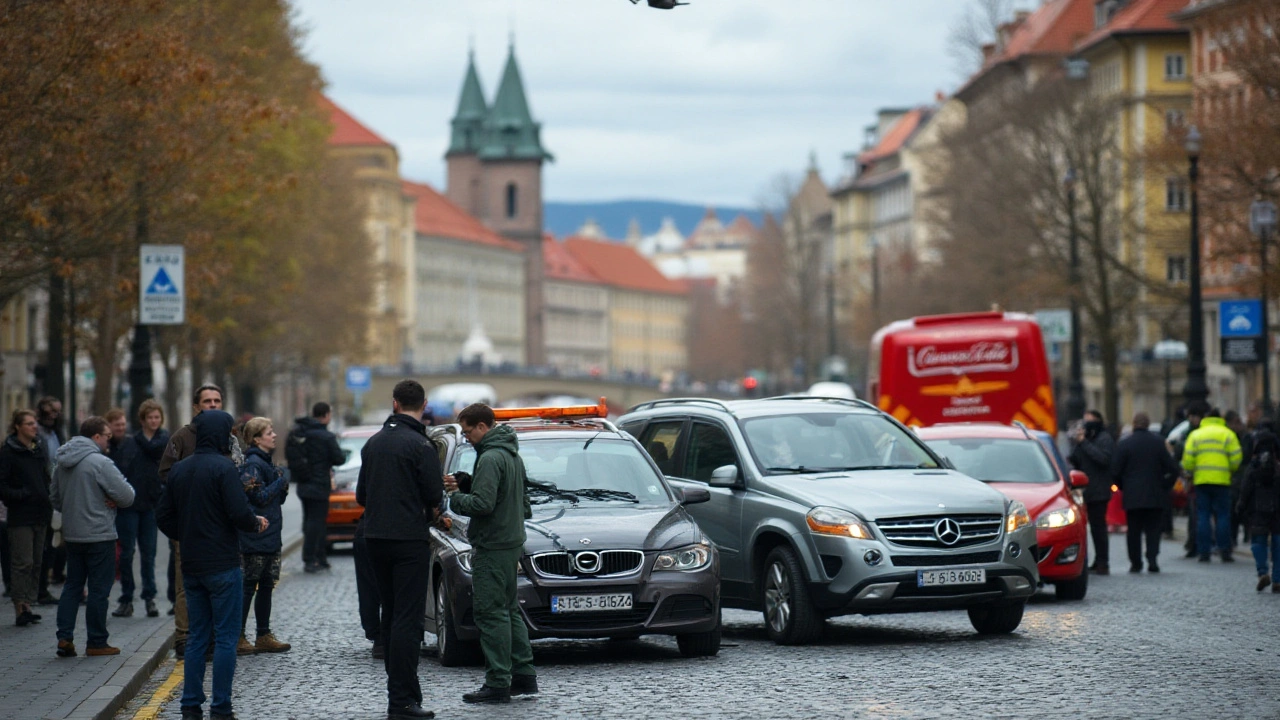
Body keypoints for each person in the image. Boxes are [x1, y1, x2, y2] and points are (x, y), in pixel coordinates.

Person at [157, 410, 266, 720]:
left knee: (196, 637)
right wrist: (254, 523)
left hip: (191, 563)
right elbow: (237, 511)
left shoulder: (179, 470)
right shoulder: (224, 468)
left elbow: (162, 515)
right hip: (222, 562)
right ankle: (221, 707)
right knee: (226, 638)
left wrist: (186, 534)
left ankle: (190, 706)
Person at [356, 380, 442, 720]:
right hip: (408, 540)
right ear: (423, 405)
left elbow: (362, 496)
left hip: (374, 538)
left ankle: (403, 693)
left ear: (394, 403)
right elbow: (434, 494)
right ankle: (402, 701)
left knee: (390, 615)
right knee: (408, 619)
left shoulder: (373, 444)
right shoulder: (421, 445)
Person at [444, 402, 536, 705]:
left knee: (490, 612)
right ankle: (524, 676)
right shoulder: (511, 454)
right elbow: (521, 503)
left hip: (493, 545)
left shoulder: (490, 458)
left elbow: (482, 505)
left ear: (483, 427)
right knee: (509, 610)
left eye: (469, 431)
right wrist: (471, 485)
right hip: (511, 542)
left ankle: (497, 682)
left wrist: (456, 496)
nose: (467, 437)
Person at [52, 417, 135, 657]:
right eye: (107, 436)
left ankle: (64, 637)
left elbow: (55, 498)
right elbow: (127, 496)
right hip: (100, 534)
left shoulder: (62, 462)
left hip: (73, 534)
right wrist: (107, 500)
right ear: (96, 437)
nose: (109, 441)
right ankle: (97, 641)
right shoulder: (100, 462)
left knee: (72, 586)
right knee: (99, 589)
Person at [159, 384, 230, 657]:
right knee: (185, 585)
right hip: (188, 524)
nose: (212, 405)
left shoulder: (229, 438)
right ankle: (184, 637)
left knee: (221, 584)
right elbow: (165, 474)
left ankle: (214, 638)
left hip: (221, 527)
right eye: (207, 401)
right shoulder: (181, 438)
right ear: (196, 406)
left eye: (217, 400)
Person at [235, 417, 290, 655]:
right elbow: (257, 497)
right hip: (255, 536)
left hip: (270, 535)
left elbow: (277, 498)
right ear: (257, 438)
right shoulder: (252, 464)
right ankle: (238, 635)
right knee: (248, 586)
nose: (274, 435)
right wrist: (280, 482)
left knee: (267, 584)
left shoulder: (266, 462)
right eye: (269, 432)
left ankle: (263, 634)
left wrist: (281, 485)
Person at [1110, 412, 1180, 573]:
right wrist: (1165, 485)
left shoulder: (1125, 444)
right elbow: (1173, 469)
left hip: (1133, 494)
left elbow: (1114, 471)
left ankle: (1135, 562)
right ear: (1148, 424)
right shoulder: (1158, 443)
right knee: (1153, 530)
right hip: (1155, 493)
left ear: (1134, 424)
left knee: (1134, 531)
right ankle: (1152, 559)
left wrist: (1123, 486)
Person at [0, 409, 53, 626]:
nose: (34, 427)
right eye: (29, 424)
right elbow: (2, 485)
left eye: (35, 423)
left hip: (41, 512)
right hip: (20, 514)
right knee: (23, 561)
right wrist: (21, 495)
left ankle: (29, 603)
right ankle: (19, 605)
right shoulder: (8, 452)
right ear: (18, 427)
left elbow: (45, 477)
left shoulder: (38, 449)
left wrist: (48, 495)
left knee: (37, 562)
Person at [286, 402, 344, 574]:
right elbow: (339, 458)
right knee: (317, 522)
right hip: (319, 484)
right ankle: (310, 558)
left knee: (310, 520)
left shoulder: (299, 433)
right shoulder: (325, 436)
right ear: (326, 415)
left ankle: (320, 557)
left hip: (303, 483)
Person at [1182, 406, 1242, 562]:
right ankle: (1224, 550)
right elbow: (1237, 457)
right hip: (1222, 480)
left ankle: (1204, 552)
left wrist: (1193, 471)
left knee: (1203, 516)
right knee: (1223, 515)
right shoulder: (1228, 434)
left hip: (1202, 480)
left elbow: (1187, 461)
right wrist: (1230, 469)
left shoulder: (1196, 435)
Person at [1069, 410, 1115, 575]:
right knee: (1081, 528)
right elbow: (1075, 459)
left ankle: (1103, 561)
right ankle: (1090, 560)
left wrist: (1084, 443)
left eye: (1090, 421)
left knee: (1098, 528)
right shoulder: (1085, 439)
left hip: (1098, 490)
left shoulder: (1105, 439)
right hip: (1083, 490)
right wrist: (1077, 442)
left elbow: (1103, 459)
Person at [1238, 430, 1280, 592]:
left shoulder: (1253, 468)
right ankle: (1277, 579)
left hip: (1257, 510)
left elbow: (1245, 489)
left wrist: (1240, 506)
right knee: (1278, 543)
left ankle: (1262, 572)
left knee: (1258, 542)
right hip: (1277, 510)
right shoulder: (1278, 467)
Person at [35, 396, 65, 601]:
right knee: (44, 543)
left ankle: (50, 578)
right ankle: (40, 587)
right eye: (51, 411)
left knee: (54, 540)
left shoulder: (55, 433)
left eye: (57, 411)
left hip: (55, 490)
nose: (54, 415)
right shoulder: (39, 434)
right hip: (42, 492)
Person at [352, 513, 384, 659]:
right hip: (400, 530)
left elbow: (361, 496)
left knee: (368, 588)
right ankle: (390, 636)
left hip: (367, 529)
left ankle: (378, 637)